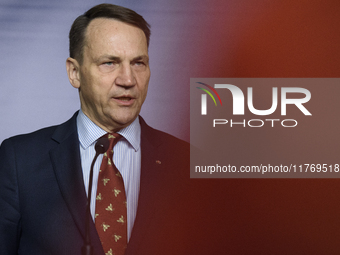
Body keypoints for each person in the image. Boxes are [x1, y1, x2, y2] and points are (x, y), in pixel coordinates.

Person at [0, 4, 194, 255]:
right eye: (109, 63)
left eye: (138, 63)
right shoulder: (19, 160)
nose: (128, 79)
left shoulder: (188, 162)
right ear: (74, 72)